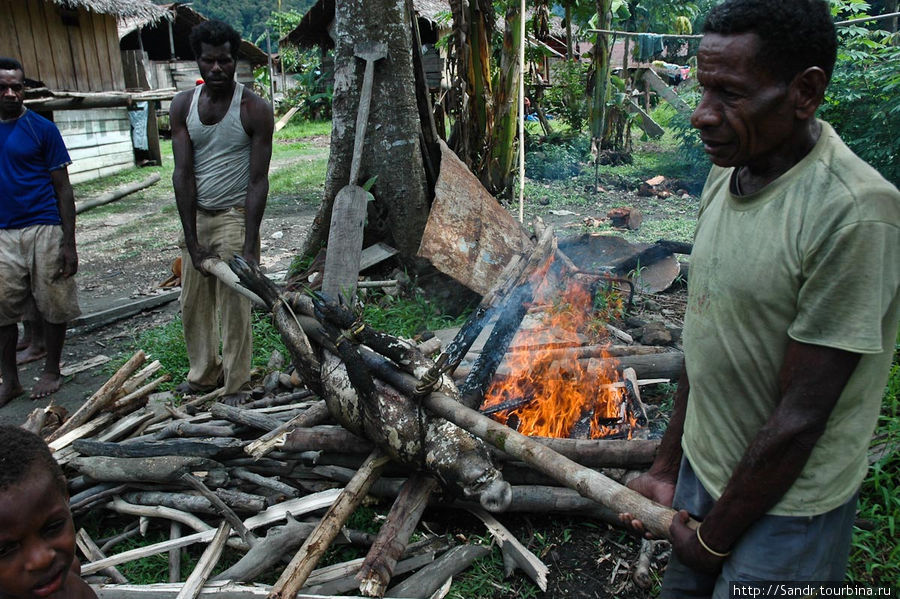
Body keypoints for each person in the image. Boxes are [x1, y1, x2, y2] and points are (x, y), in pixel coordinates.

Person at [620, 0, 900, 595]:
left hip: (788, 514)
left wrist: (715, 539)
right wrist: (670, 466)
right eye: (702, 90)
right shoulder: (730, 172)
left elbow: (801, 417)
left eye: (731, 94)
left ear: (805, 92)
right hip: (704, 472)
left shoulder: (852, 214)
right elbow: (709, 334)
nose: (701, 115)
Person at [170, 21, 273, 404]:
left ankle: (236, 385)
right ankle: (202, 375)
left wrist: (249, 245)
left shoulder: (254, 108)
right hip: (198, 215)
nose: (217, 69)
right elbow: (181, 174)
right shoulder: (183, 105)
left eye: (225, 61)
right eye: (209, 61)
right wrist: (191, 241)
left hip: (233, 215)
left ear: (236, 61)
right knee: (192, 303)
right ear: (197, 61)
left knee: (234, 304)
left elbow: (258, 182)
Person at [0, 57, 80, 407]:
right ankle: (11, 381)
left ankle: (52, 369)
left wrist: (69, 242)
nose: (11, 93)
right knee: (3, 309)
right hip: (3, 232)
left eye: (17, 87)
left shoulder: (41, 129)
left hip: (44, 225)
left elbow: (63, 188)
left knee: (54, 301)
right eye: (3, 87)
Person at [0, 425, 97, 599]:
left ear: (65, 495)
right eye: (4, 549)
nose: (42, 559)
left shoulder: (67, 578)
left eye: (53, 528)